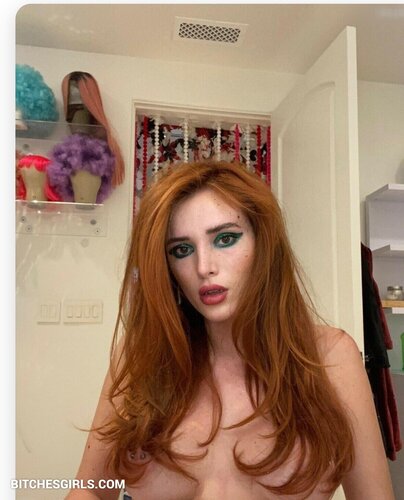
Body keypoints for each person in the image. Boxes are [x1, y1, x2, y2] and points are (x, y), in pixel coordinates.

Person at [66, 160, 394, 499]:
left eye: (225, 238)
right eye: (182, 250)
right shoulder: (140, 357)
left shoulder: (330, 358)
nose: (204, 267)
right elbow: (89, 491)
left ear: (263, 244)